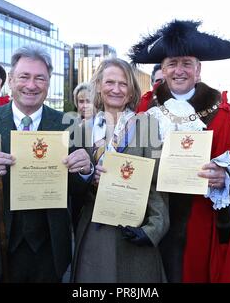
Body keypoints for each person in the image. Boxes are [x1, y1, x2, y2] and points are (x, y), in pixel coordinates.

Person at [0, 44, 92, 283]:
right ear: (10, 80)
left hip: (49, 250)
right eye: (24, 77)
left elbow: (78, 192)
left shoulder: (68, 124)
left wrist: (84, 171)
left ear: (49, 83)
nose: (31, 85)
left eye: (40, 78)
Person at [129, 19, 230, 282]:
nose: (178, 71)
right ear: (163, 68)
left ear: (199, 69)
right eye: (172, 63)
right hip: (152, 213)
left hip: (198, 216)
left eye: (186, 64)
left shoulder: (220, 110)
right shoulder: (146, 106)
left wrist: (222, 177)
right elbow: (134, 157)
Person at [70, 58, 169, 283]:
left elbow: (156, 182)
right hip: (95, 231)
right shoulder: (81, 129)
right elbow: (71, 188)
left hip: (134, 227)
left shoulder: (146, 126)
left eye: (123, 84)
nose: (116, 89)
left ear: (131, 90)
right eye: (110, 82)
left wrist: (153, 229)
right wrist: (86, 175)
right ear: (98, 86)